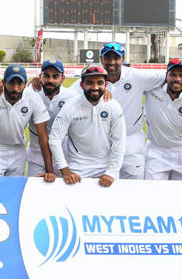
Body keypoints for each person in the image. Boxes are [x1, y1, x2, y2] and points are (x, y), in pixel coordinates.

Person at [70, 42, 165, 179]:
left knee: (133, 184)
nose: (112, 62)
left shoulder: (137, 76)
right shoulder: (93, 79)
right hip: (102, 142)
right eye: (107, 58)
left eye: (116, 58)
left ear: (123, 59)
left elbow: (171, 76)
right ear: (101, 59)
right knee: (102, 185)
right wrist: (99, 89)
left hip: (130, 139)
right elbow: (68, 95)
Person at [0, 65, 54, 181]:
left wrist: (49, 171)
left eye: (19, 84)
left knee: (14, 190)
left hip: (18, 149)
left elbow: (43, 137)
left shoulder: (33, 99)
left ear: (25, 84)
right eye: (11, 83)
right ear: (3, 82)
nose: (15, 89)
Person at [49, 65, 126, 187]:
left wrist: (112, 172)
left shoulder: (113, 106)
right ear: (82, 85)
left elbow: (119, 141)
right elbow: (55, 139)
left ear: (105, 85)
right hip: (77, 167)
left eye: (99, 83)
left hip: (105, 167)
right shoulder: (71, 106)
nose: (95, 87)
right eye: (90, 83)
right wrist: (65, 169)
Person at [142, 58, 182, 186]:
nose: (177, 79)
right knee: (152, 195)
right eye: (173, 74)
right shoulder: (152, 88)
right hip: (155, 150)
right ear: (166, 75)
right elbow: (129, 81)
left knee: (180, 199)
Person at [26, 59, 79, 177]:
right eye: (46, 76)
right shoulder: (30, 93)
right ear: (40, 77)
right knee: (35, 192)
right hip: (36, 155)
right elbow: (11, 89)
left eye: (55, 76)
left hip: (63, 154)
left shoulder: (72, 96)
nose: (50, 80)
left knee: (63, 194)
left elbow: (92, 95)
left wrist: (106, 91)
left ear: (63, 78)